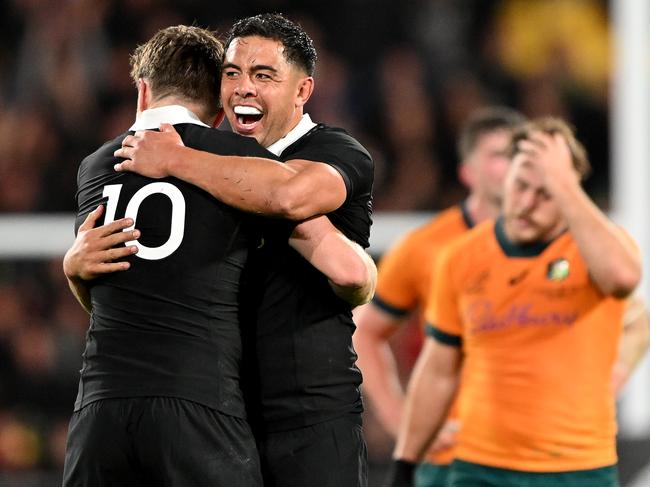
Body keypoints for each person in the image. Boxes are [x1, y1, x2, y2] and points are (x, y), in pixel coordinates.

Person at [61, 25, 375, 487]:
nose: (245, 86)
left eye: (264, 75)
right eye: (233, 73)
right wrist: (74, 267)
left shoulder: (332, 152)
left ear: (302, 89)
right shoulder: (222, 164)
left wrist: (177, 158)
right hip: (222, 413)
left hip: (307, 416)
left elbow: (304, 215)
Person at [385, 117, 641, 487]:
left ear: (570, 191)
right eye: (520, 186)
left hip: (579, 468)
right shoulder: (462, 257)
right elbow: (439, 369)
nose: (525, 204)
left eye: (545, 193)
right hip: (480, 467)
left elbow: (623, 278)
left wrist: (564, 183)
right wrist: (405, 461)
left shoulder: (598, 249)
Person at [353, 106, 525, 487]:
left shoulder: (560, 243)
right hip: (454, 456)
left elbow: (631, 321)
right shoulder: (426, 247)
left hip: (541, 449)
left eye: (520, 153)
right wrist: (402, 423)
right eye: (499, 155)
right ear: (468, 172)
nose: (513, 165)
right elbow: (366, 334)